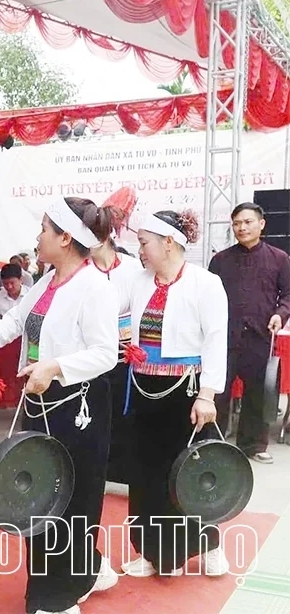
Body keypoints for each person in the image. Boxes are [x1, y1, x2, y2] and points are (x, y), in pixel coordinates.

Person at [0, 196, 119, 614]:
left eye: (45, 230)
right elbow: (16, 321)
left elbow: (107, 353)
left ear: (66, 238)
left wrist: (55, 366)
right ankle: (86, 570)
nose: (38, 237)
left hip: (76, 406)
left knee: (70, 502)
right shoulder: (45, 281)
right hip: (40, 400)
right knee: (37, 498)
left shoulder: (95, 287)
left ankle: (56, 597)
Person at [123, 209, 230, 579]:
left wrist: (208, 395)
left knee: (189, 473)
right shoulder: (137, 282)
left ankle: (210, 545)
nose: (140, 251)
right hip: (143, 388)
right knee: (146, 472)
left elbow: (217, 341)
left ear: (169, 242)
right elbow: (108, 309)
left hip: (185, 391)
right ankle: (151, 552)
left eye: (144, 243)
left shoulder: (205, 283)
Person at [210, 202, 290, 464]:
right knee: (218, 391)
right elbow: (208, 297)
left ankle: (253, 445)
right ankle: (214, 440)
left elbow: (288, 295)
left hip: (260, 336)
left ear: (261, 224)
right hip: (225, 337)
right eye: (236, 223)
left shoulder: (279, 258)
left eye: (247, 222)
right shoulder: (220, 260)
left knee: (258, 393)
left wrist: (280, 313)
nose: (241, 228)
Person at [88, 228, 144, 486]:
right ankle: (96, 470)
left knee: (124, 409)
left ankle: (123, 471)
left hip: (126, 351)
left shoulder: (133, 268)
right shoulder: (82, 269)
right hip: (92, 349)